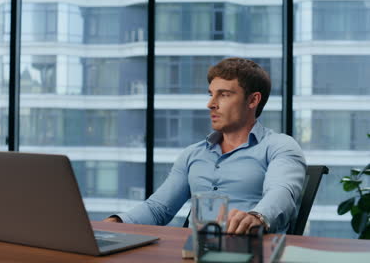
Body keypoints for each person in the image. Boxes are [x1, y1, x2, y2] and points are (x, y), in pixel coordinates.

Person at [104, 57, 306, 234]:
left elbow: (281, 191)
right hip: (197, 253)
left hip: (253, 252)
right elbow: (158, 209)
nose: (211, 104)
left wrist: (258, 217)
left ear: (253, 100)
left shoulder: (280, 146)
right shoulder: (193, 154)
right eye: (211, 94)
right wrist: (115, 223)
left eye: (224, 94)